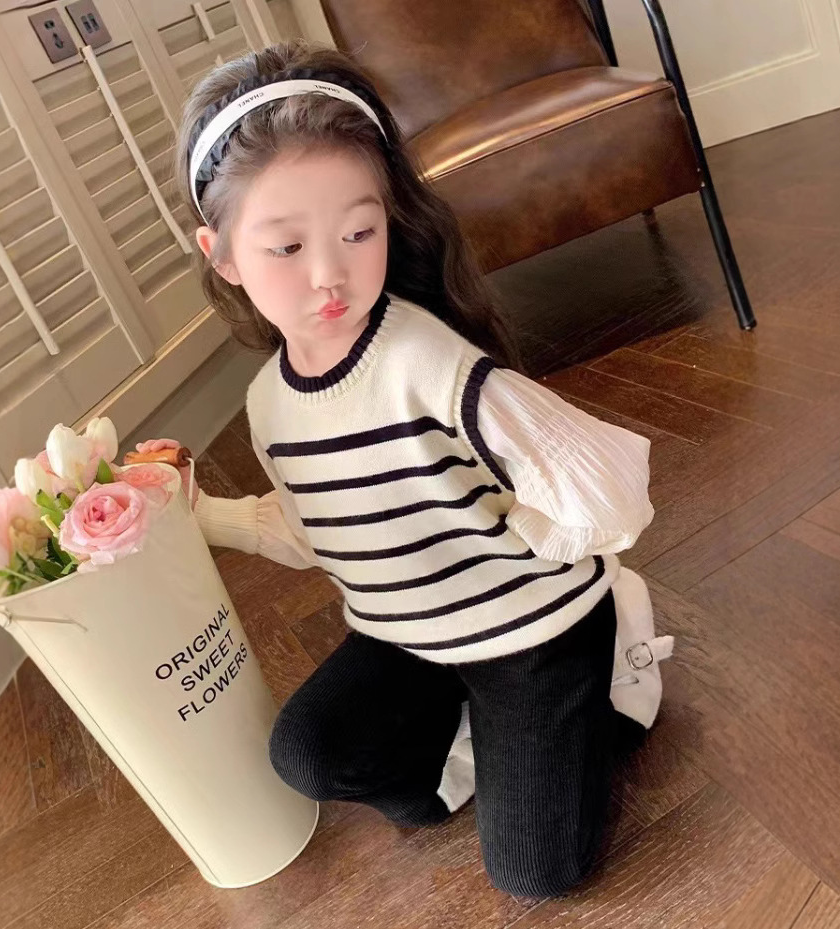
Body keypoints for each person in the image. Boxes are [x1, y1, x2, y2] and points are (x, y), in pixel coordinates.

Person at [138, 39, 673, 899]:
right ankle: (479, 741)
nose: (329, 275)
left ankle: (613, 653)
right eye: (285, 247)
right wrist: (196, 514)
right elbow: (319, 529)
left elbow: (602, 482)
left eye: (359, 231)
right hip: (414, 636)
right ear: (222, 254)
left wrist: (535, 535)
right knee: (309, 754)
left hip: (529, 631)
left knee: (536, 872)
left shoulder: (429, 364)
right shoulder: (270, 401)